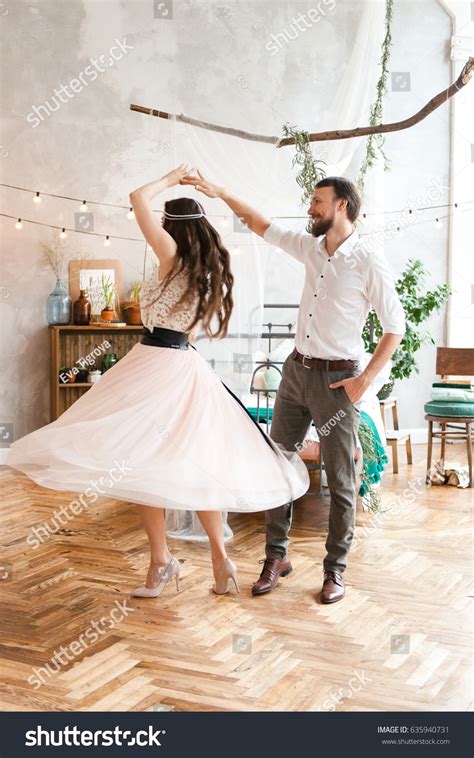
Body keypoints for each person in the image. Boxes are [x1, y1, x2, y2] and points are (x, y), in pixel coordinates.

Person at [7, 165, 309, 599]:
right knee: (194, 466)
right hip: (186, 366)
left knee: (141, 464)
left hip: (154, 365)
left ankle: (161, 562)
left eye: (164, 223)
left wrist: (169, 178)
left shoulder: (171, 255)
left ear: (173, 227)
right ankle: (220, 559)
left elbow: (136, 196)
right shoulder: (208, 271)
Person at [181, 170, 405, 604]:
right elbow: (259, 224)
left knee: (341, 480)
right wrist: (220, 189)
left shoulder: (368, 261)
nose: (309, 209)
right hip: (295, 373)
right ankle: (275, 558)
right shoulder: (310, 248)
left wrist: (364, 381)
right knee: (277, 467)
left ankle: (334, 570)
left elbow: (395, 327)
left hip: (338, 381)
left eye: (317, 201)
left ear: (342, 205)